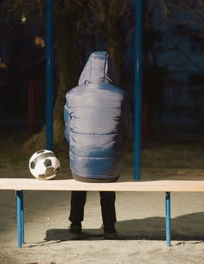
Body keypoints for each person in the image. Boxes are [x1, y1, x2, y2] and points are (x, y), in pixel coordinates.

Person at [63, 51, 132, 239]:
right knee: (108, 180)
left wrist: (79, 146)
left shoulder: (72, 94)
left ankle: (75, 224)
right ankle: (109, 226)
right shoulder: (121, 96)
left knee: (79, 181)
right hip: (111, 167)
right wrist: (115, 149)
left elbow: (68, 131)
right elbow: (128, 131)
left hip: (80, 167)